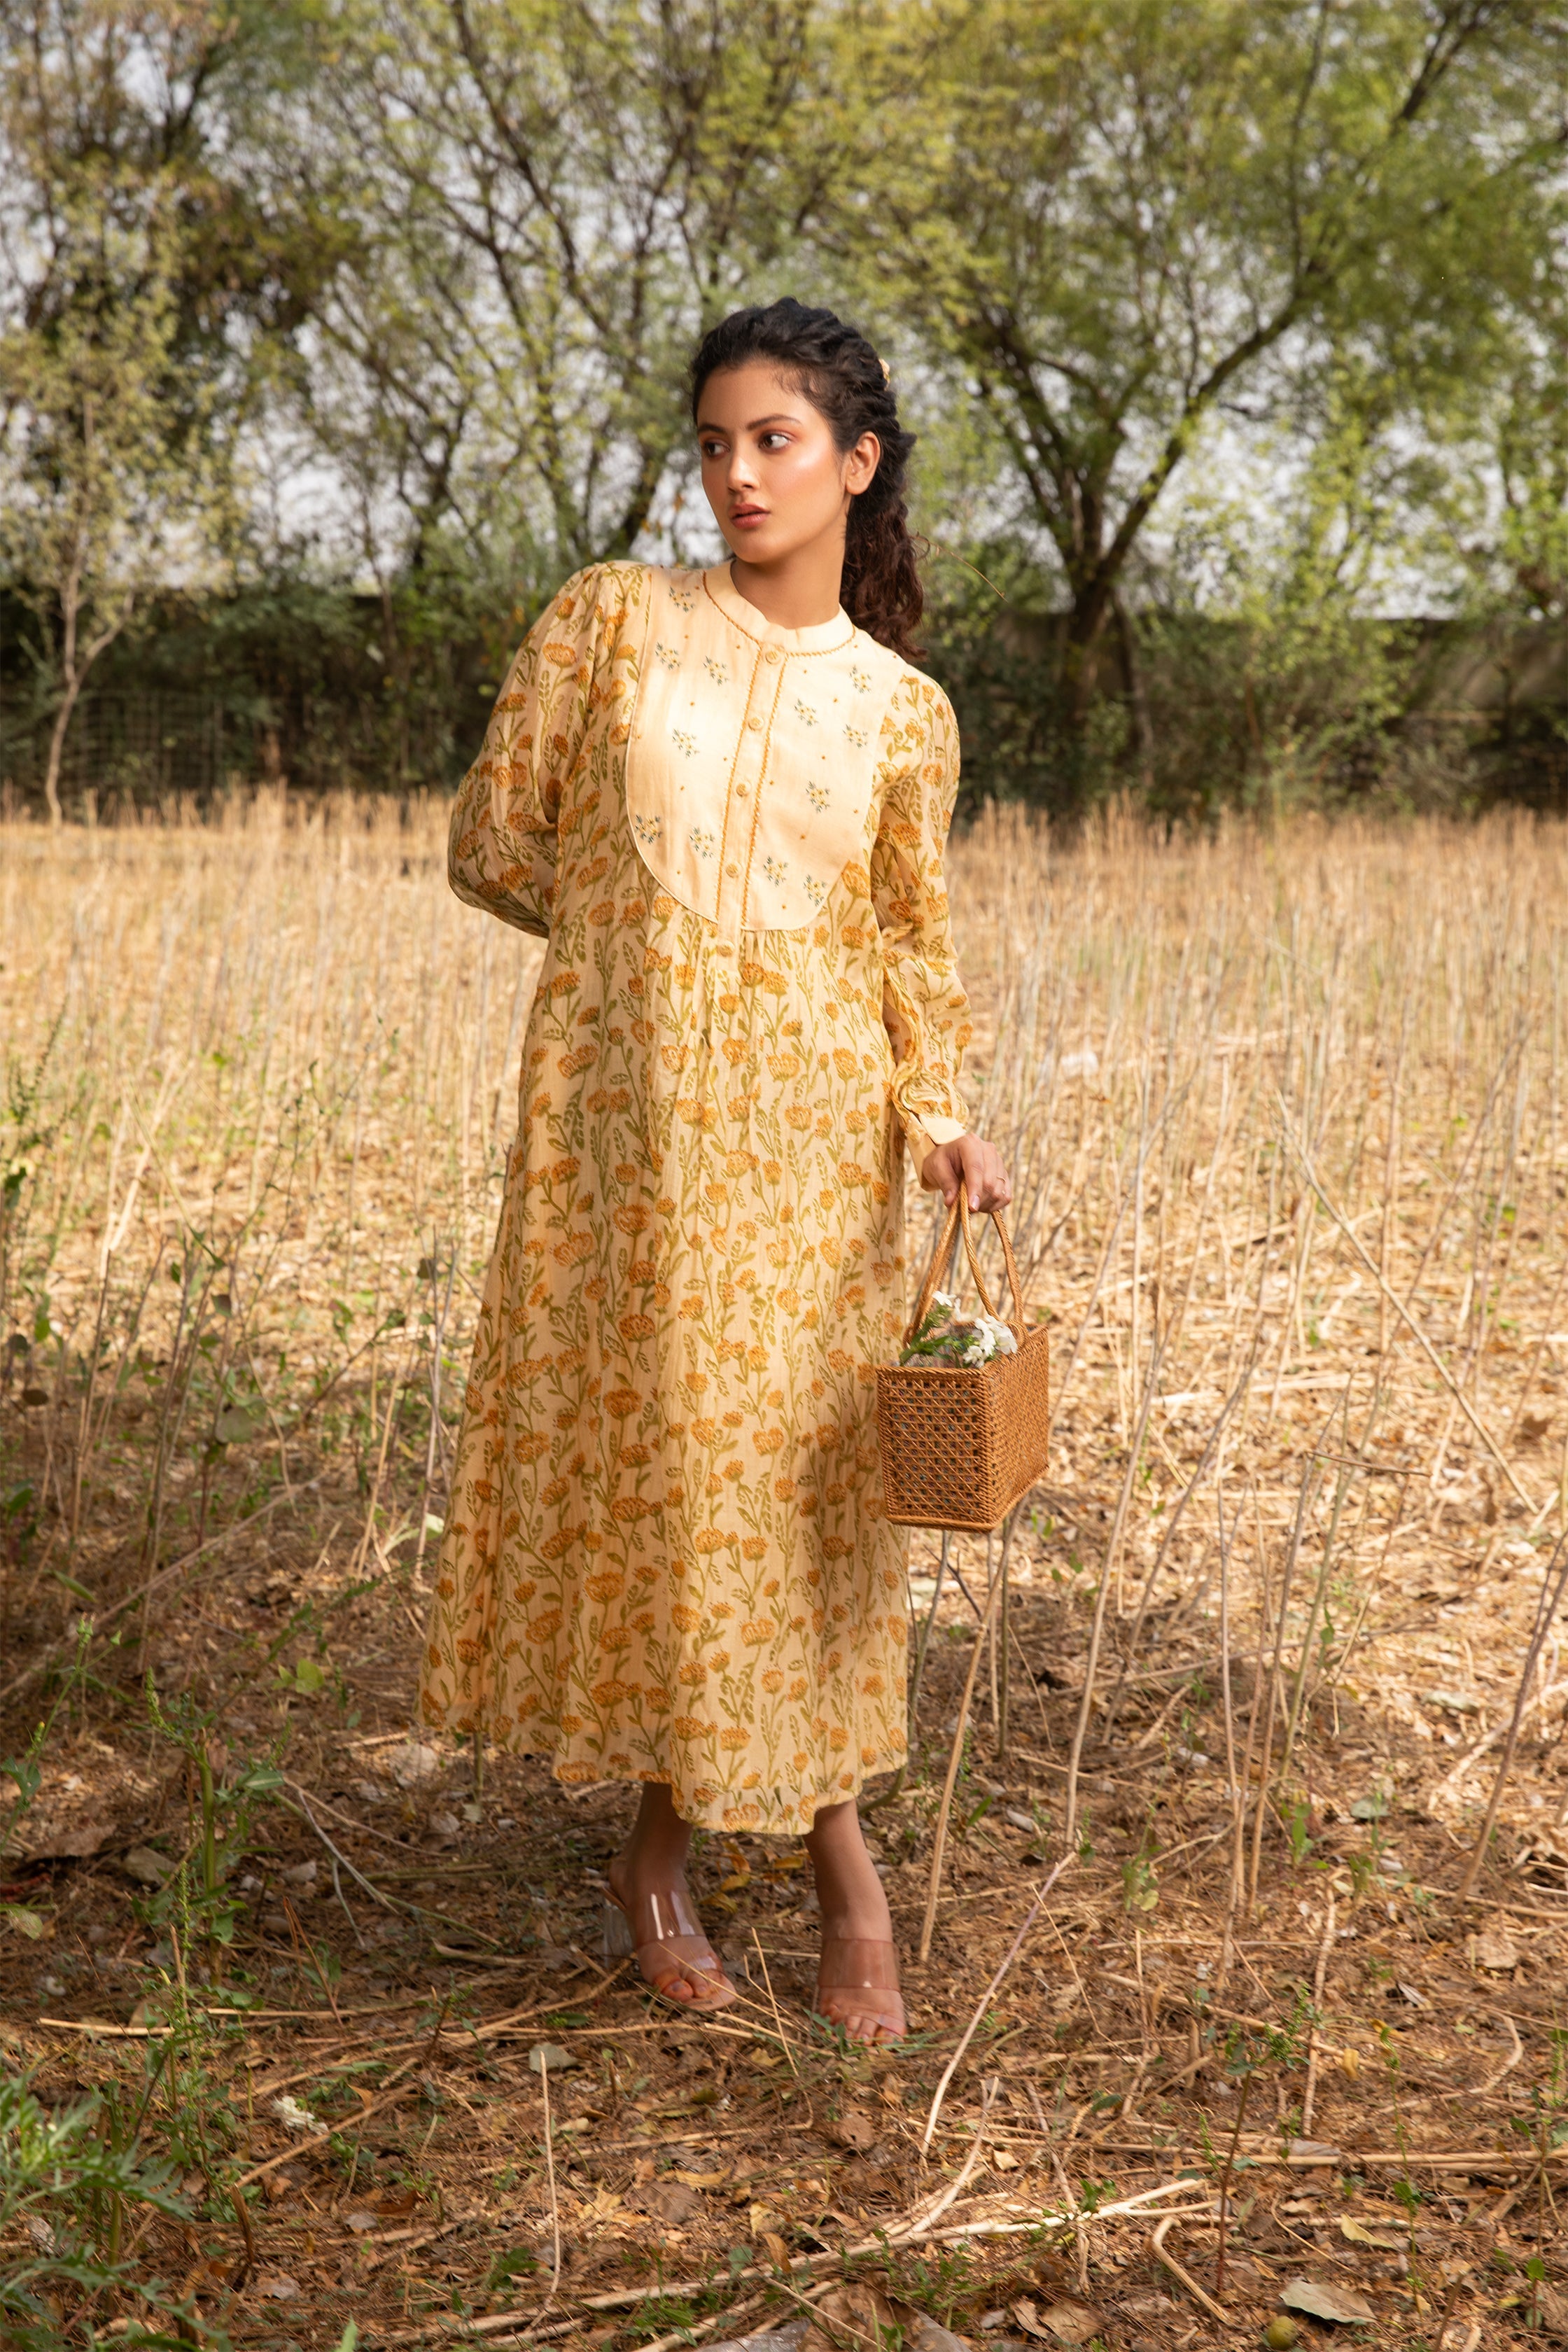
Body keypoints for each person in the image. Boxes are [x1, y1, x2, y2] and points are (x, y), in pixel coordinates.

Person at [420, 296, 1011, 2044]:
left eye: (772, 441)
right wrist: (635, 969)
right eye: (712, 443)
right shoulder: (608, 623)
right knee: (674, 1483)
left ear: (856, 464)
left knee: (794, 1503)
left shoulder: (907, 713)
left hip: (814, 1156)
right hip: (623, 1140)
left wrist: (942, 1115)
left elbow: (909, 946)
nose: (736, 475)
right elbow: (490, 839)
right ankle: (659, 1860)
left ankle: (838, 1876)